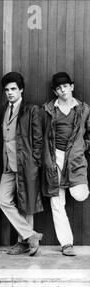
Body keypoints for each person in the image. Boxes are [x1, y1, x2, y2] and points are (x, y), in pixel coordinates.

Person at [41, 72, 90, 256]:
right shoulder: (48, 109)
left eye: (65, 86)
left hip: (75, 158)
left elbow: (89, 135)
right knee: (56, 201)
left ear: (72, 87)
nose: (63, 90)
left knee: (79, 194)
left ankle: (72, 184)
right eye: (59, 88)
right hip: (54, 158)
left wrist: (80, 147)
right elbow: (42, 135)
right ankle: (66, 243)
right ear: (55, 91)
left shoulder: (84, 109)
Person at [0, 72, 43, 256]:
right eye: (7, 90)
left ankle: (24, 243)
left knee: (27, 204)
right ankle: (31, 235)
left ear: (21, 89)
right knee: (3, 200)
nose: (10, 93)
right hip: (8, 164)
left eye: (13, 89)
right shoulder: (4, 109)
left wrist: (35, 161)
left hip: (26, 163)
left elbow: (38, 139)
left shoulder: (31, 109)